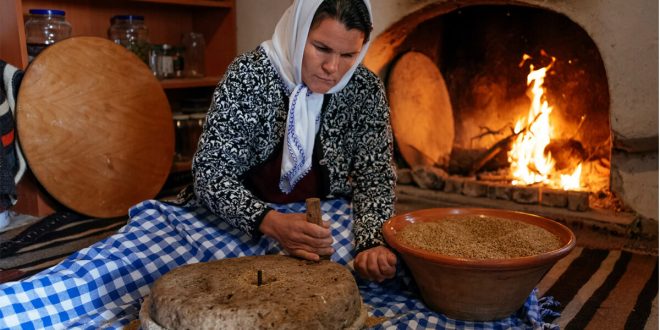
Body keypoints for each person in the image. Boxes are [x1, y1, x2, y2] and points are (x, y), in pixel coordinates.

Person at [189, 0, 398, 282]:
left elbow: (376, 177)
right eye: (321, 48)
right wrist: (271, 222)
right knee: (151, 263)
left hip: (324, 218)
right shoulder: (249, 75)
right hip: (242, 219)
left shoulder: (364, 88)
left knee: (398, 266)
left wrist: (371, 243)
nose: (332, 67)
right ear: (298, 31)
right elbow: (210, 174)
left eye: (349, 55)